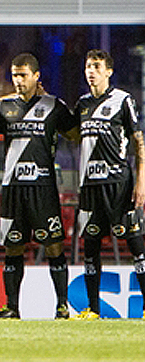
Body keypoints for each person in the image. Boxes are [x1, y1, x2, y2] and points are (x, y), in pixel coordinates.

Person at [0, 53, 79, 319]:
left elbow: (75, 135)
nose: (18, 81)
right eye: (15, 75)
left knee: (53, 246)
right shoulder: (6, 107)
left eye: (23, 75)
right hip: (13, 187)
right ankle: (12, 307)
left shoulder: (54, 106)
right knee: (13, 246)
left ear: (36, 76)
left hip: (43, 187)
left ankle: (62, 306)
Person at [72, 49, 145, 320]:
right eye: (88, 66)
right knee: (90, 248)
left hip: (119, 184)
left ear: (108, 71)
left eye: (96, 66)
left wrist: (141, 182)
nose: (91, 71)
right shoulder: (81, 105)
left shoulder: (123, 100)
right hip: (89, 186)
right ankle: (92, 309)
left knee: (136, 246)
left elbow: (139, 143)